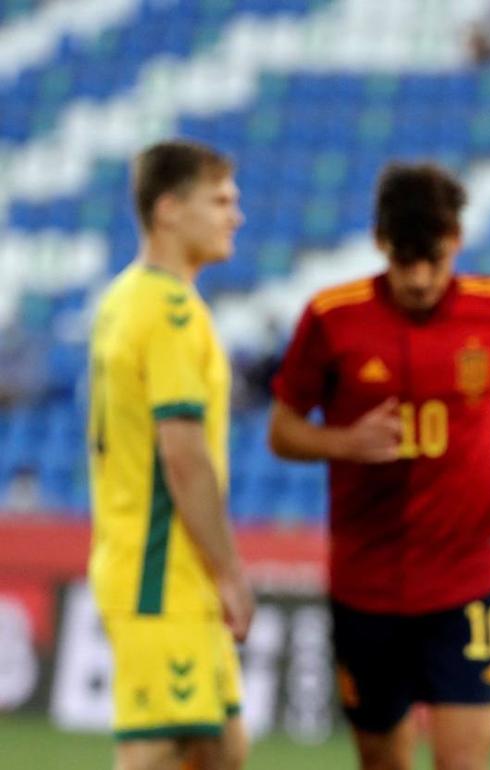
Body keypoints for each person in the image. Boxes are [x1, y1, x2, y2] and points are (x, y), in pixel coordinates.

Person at [268, 162, 490, 770]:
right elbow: (282, 432)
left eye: (434, 259)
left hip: (472, 574)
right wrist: (344, 443)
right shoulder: (331, 317)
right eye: (405, 261)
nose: (421, 279)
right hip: (366, 583)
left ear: (456, 240)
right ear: (380, 243)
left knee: (462, 764)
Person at [87, 140, 253, 770]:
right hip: (160, 570)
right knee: (161, 749)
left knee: (221, 750)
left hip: (156, 564)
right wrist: (231, 572)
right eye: (219, 201)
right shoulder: (171, 312)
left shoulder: (124, 298)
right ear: (168, 210)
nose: (234, 216)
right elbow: (183, 458)